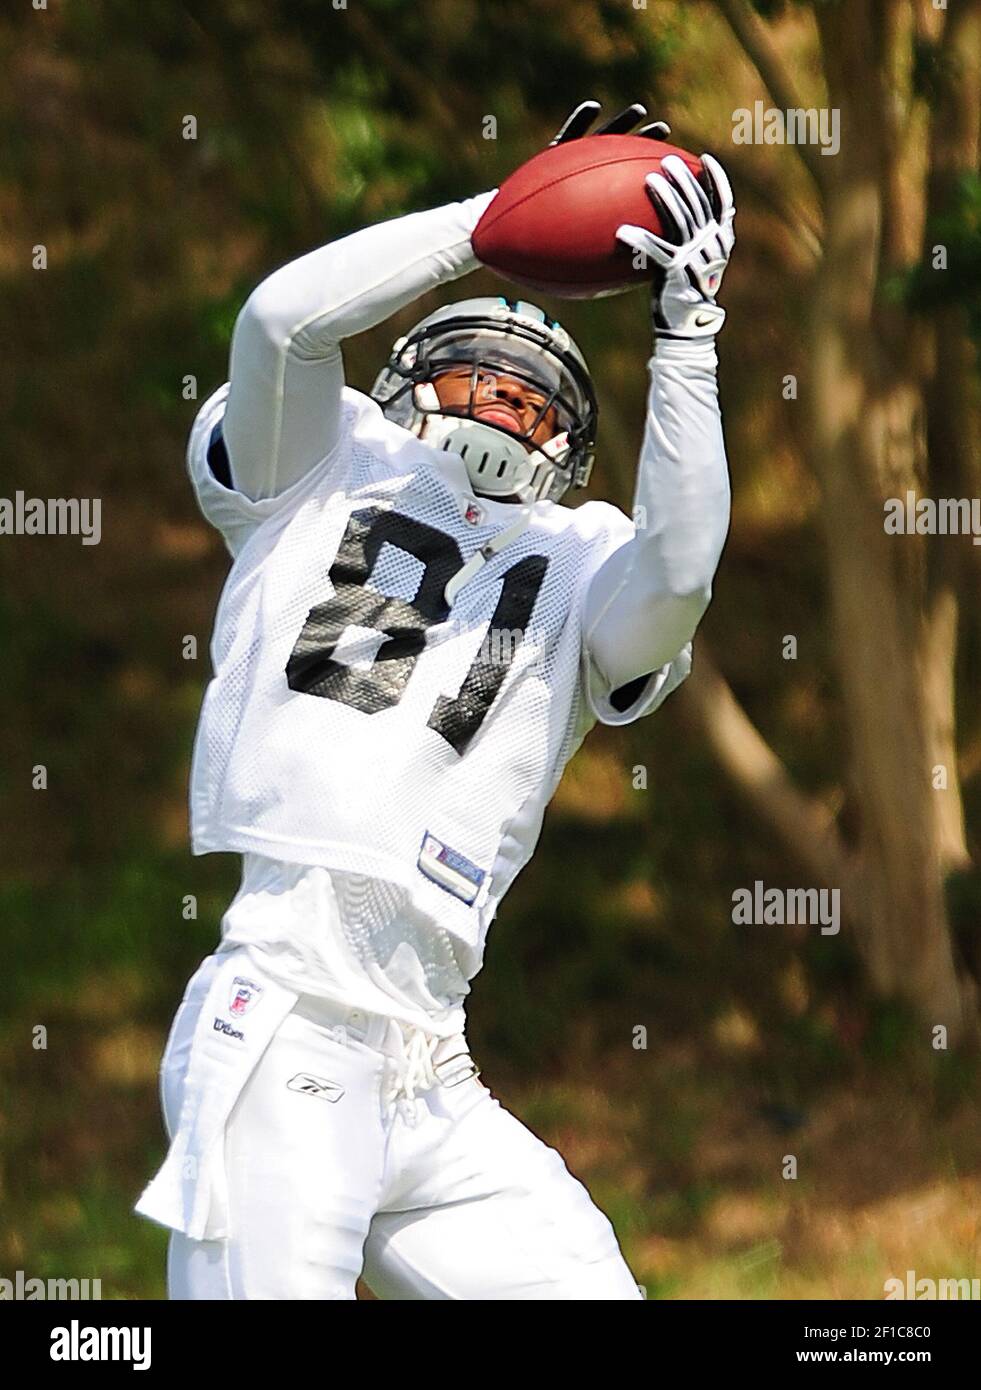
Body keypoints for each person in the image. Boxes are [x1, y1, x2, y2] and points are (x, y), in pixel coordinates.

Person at [135, 101, 735, 1300]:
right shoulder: (320, 468)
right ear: (408, 384)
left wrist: (690, 343)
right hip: (289, 1013)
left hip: (430, 1062)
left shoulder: (581, 553)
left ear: (570, 446)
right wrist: (488, 223)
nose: (507, 405)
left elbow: (678, 570)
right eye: (480, 377)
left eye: (535, 400)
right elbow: (280, 321)